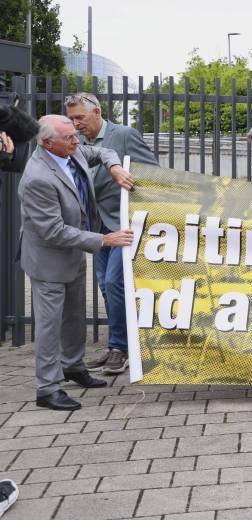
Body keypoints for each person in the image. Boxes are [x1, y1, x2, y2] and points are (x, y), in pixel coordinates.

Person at [18, 115, 134, 411]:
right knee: (48, 324)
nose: (77, 141)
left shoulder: (72, 151)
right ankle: (47, 388)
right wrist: (103, 240)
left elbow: (104, 151)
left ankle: (73, 367)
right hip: (48, 258)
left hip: (73, 250)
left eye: (74, 135)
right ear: (47, 143)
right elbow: (53, 231)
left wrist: (115, 166)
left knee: (74, 314)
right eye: (68, 137)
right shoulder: (37, 179)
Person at [65, 93, 158, 376]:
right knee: (106, 286)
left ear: (97, 112)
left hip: (124, 224)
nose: (75, 124)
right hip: (97, 227)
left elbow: (151, 173)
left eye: (79, 117)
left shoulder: (125, 135)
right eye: (71, 119)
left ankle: (122, 348)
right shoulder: (76, 143)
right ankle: (121, 345)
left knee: (114, 281)